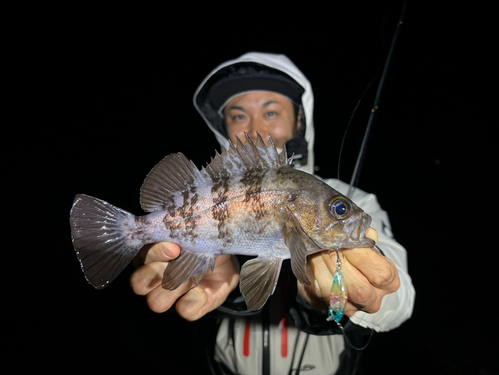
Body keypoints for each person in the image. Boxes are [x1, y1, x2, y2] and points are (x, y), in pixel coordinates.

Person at [130, 52, 415, 374]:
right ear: (222, 125)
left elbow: (400, 301)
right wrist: (203, 269)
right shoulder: (205, 192)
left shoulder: (354, 196)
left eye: (271, 111)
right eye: (238, 116)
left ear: (298, 119)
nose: (255, 125)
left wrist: (345, 297)